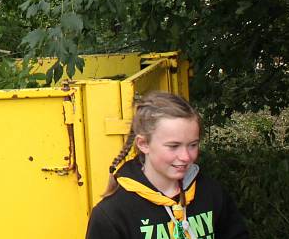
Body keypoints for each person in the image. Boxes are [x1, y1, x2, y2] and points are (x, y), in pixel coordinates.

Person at [85, 91, 249, 239]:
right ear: (143, 144)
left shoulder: (211, 193)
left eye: (193, 145)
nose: (185, 156)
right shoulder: (112, 214)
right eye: (173, 146)